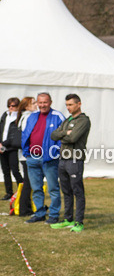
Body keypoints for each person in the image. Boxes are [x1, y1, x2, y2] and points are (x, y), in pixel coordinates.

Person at [21, 92, 65, 224]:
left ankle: (54, 215)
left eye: (45, 102)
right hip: (32, 157)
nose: (42, 105)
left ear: (50, 102)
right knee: (36, 188)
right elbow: (25, 134)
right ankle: (39, 213)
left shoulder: (57, 116)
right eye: (40, 102)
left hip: (49, 159)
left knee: (53, 188)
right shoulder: (32, 116)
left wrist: (54, 153)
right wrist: (26, 152)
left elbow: (63, 137)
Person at [49, 94, 91, 232]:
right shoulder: (68, 120)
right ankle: (68, 219)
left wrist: (63, 134)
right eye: (66, 105)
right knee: (66, 191)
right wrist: (64, 133)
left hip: (75, 159)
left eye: (71, 105)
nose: (68, 107)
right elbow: (53, 135)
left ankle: (79, 222)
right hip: (63, 159)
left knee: (77, 191)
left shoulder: (83, 120)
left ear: (79, 104)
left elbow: (73, 138)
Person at [15, 97, 35, 216]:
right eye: (33, 103)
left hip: (23, 155)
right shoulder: (28, 117)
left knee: (28, 181)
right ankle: (24, 209)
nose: (36, 105)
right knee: (28, 182)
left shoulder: (22, 116)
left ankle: (26, 207)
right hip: (27, 154)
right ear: (27, 106)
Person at [0, 97, 23, 200]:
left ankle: (22, 190)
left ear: (18, 107)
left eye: (13, 106)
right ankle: (9, 192)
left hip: (12, 147)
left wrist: (3, 144)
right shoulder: (5, 115)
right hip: (2, 147)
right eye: (9, 105)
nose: (11, 108)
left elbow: (14, 135)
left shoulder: (18, 117)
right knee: (5, 171)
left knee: (15, 170)